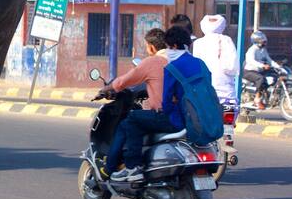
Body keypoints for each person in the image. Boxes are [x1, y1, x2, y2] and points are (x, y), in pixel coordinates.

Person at [106, 26, 209, 182]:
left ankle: (132, 167)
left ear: (172, 46)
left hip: (174, 118)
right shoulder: (197, 63)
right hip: (196, 118)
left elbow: (165, 98)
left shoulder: (166, 64)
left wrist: (107, 88)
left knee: (132, 120)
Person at [102, 28, 169, 178]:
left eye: (146, 46)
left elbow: (122, 82)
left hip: (164, 116)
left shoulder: (153, 62)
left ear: (151, 47)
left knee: (129, 121)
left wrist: (105, 89)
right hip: (183, 116)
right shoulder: (178, 60)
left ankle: (121, 167)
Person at [193, 14, 239, 106]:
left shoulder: (198, 43)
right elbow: (233, 67)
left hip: (205, 94)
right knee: (228, 119)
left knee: (207, 120)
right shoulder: (227, 40)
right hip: (227, 95)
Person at [243, 30, 280, 109]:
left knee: (272, 75)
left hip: (258, 71)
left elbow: (269, 60)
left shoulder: (263, 50)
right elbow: (251, 61)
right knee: (260, 78)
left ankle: (266, 96)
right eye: (263, 41)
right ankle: (257, 99)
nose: (264, 43)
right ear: (257, 41)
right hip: (248, 71)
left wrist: (278, 67)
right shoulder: (252, 50)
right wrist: (262, 65)